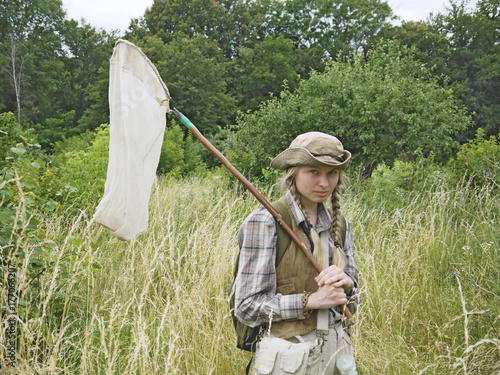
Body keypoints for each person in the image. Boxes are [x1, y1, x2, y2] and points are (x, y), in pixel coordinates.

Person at [234, 132, 361, 374]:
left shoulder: (341, 226)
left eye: (331, 173)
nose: (324, 183)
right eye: (313, 172)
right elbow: (247, 306)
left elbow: (354, 301)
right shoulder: (266, 222)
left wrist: (348, 287)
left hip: (337, 354)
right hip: (287, 359)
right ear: (293, 172)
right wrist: (309, 302)